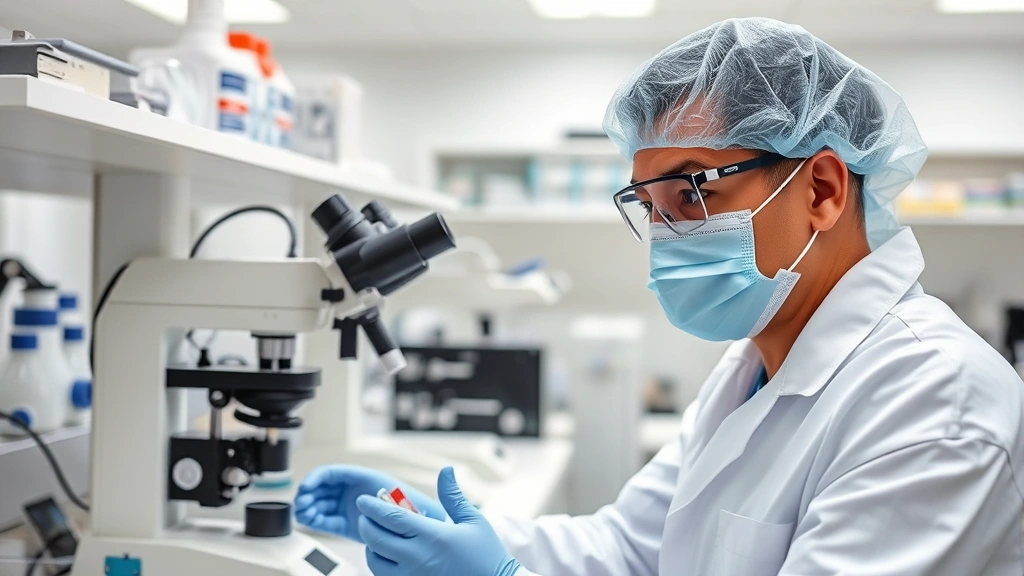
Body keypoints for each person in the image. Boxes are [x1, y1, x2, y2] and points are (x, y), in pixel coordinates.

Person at [294, 17, 1024, 576]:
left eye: (693, 191)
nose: (666, 232)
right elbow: (631, 549)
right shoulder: (753, 368)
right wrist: (453, 534)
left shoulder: (939, 402)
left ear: (823, 190)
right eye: (651, 204)